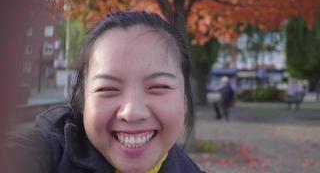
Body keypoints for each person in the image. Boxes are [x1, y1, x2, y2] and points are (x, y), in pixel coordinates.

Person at [7, 11, 204, 173]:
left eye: (159, 87)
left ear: (185, 100)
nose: (132, 112)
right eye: (108, 89)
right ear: (82, 100)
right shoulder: (48, 152)